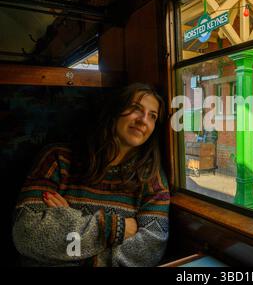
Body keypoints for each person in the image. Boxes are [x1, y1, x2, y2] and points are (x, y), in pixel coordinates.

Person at [12, 83, 169, 267]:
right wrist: (115, 229)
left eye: (152, 116)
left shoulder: (150, 176)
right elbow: (27, 235)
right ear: (115, 110)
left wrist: (69, 219)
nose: (144, 120)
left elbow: (150, 248)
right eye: (135, 108)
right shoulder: (57, 159)